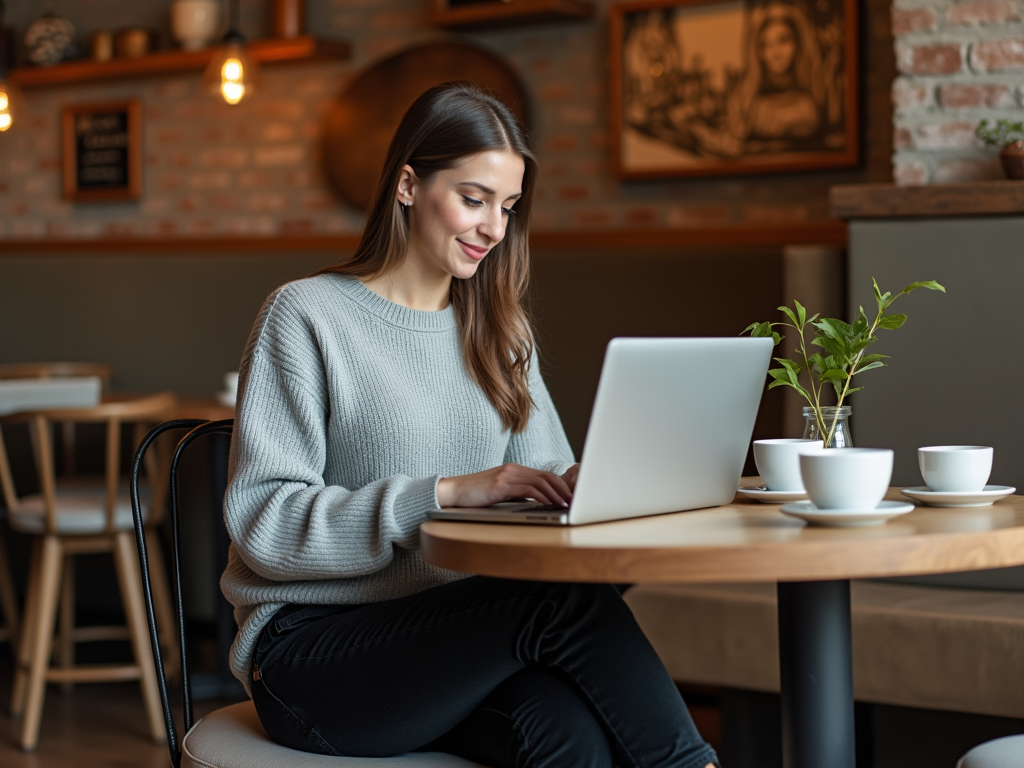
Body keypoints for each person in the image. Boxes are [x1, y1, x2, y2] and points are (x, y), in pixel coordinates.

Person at [222, 81, 718, 768]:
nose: (494, 228)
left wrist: (578, 487)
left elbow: (538, 477)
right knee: (561, 604)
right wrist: (445, 493)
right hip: (314, 658)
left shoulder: (500, 332)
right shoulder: (306, 315)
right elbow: (264, 526)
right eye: (474, 198)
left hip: (457, 645)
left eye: (508, 207)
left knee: (568, 735)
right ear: (406, 185)